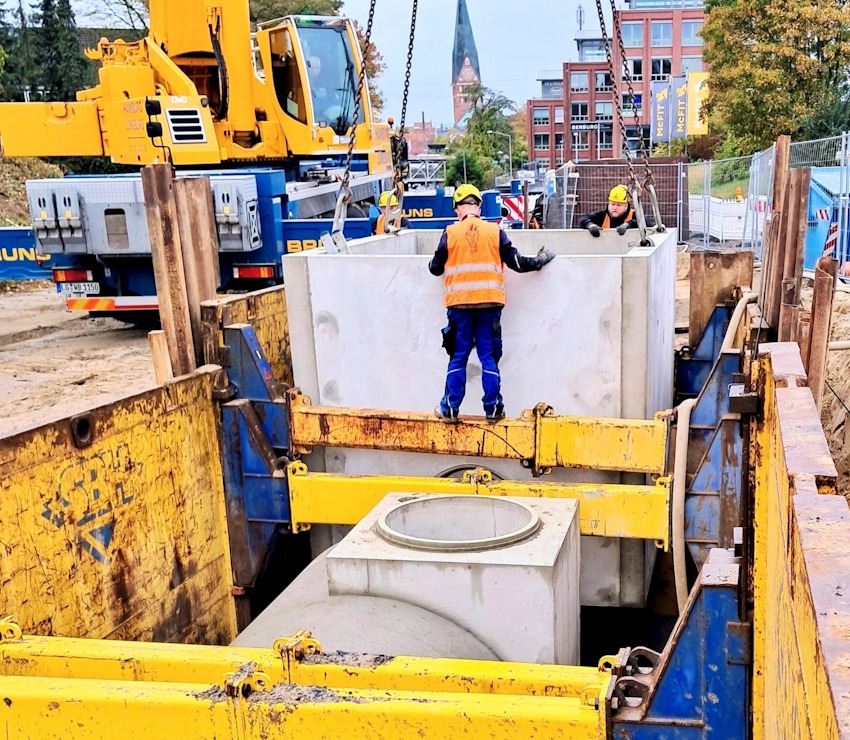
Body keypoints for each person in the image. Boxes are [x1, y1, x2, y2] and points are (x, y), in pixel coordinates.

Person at [429, 184, 555, 422]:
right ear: (479, 206)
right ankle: (493, 409)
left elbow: (435, 269)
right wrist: (540, 260)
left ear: (457, 208)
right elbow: (517, 262)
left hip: (459, 305)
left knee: (458, 357)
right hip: (490, 305)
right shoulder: (495, 232)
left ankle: (450, 409)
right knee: (488, 356)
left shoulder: (450, 233)